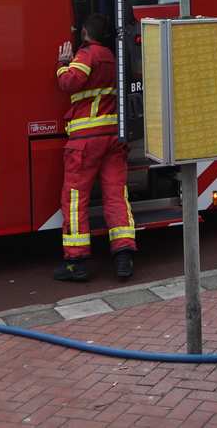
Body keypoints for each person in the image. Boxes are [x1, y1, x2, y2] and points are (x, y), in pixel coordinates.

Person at [53, 14, 136, 281]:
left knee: (76, 199)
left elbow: (69, 82)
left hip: (85, 141)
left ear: (87, 32)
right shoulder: (113, 57)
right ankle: (124, 255)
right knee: (116, 196)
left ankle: (76, 262)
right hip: (113, 138)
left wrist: (62, 64)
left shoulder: (88, 54)